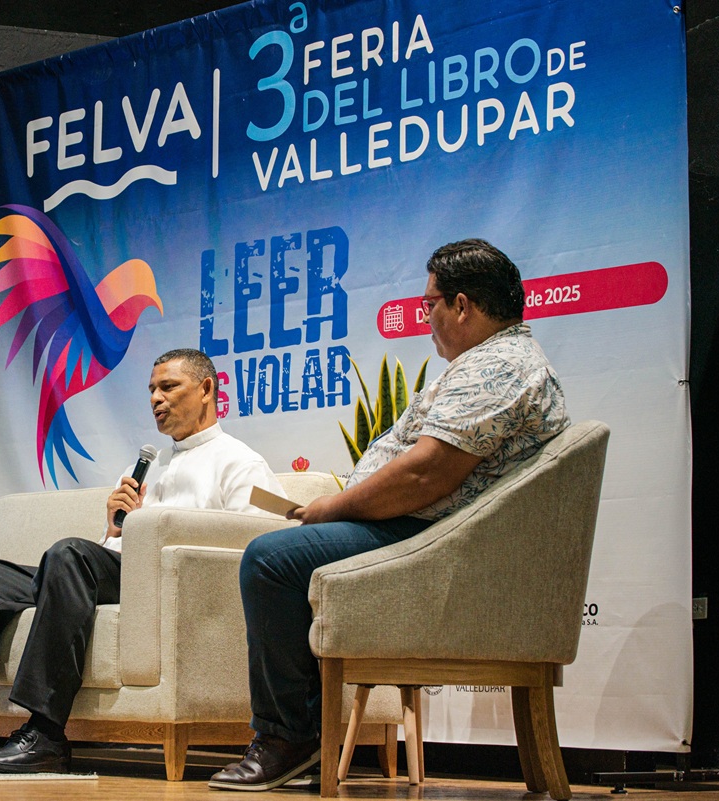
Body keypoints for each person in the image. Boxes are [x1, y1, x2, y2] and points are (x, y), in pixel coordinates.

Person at [209, 239, 570, 792]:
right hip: (426, 533)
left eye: (430, 305)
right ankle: (302, 736)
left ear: (463, 305)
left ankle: (289, 738)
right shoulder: (495, 362)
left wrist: (332, 507)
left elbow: (425, 475)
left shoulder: (499, 366)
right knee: (282, 554)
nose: (424, 317)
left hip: (432, 540)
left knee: (271, 560)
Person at [0, 348, 285, 774]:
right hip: (110, 572)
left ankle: (44, 733)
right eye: (151, 389)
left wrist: (148, 527)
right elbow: (110, 549)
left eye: (169, 387)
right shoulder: (151, 465)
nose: (156, 398)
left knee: (69, 554)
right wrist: (114, 529)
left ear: (207, 389)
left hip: (160, 581)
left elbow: (255, 545)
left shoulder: (238, 461)